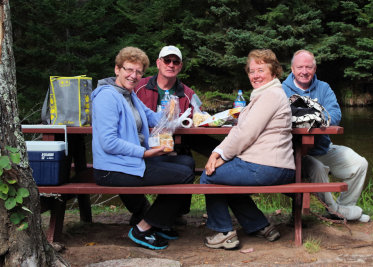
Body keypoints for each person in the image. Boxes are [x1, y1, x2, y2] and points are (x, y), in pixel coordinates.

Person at [91, 46, 195, 250]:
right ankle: (144, 227)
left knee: (187, 161)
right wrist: (145, 153)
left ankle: (161, 221)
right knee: (183, 175)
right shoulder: (107, 97)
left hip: (130, 161)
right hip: (112, 169)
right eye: (129, 70)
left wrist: (173, 112)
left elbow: (153, 118)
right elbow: (108, 142)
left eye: (138, 72)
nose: (134, 75)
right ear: (117, 69)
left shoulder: (129, 95)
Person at [200, 49, 295, 249]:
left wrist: (222, 156)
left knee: (209, 176)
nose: (255, 75)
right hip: (270, 166)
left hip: (268, 167)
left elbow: (246, 134)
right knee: (226, 178)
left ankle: (224, 232)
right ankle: (261, 226)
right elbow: (239, 131)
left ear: (274, 72)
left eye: (260, 70)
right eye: (251, 71)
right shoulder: (263, 95)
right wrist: (218, 153)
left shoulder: (271, 95)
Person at [282, 49, 370, 222]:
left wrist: (314, 117)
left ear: (314, 69)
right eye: (300, 67)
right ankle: (335, 211)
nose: (304, 71)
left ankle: (345, 207)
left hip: (323, 148)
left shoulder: (323, 88)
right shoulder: (281, 90)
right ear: (292, 69)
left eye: (309, 67)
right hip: (293, 154)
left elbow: (335, 115)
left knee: (360, 164)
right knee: (317, 168)